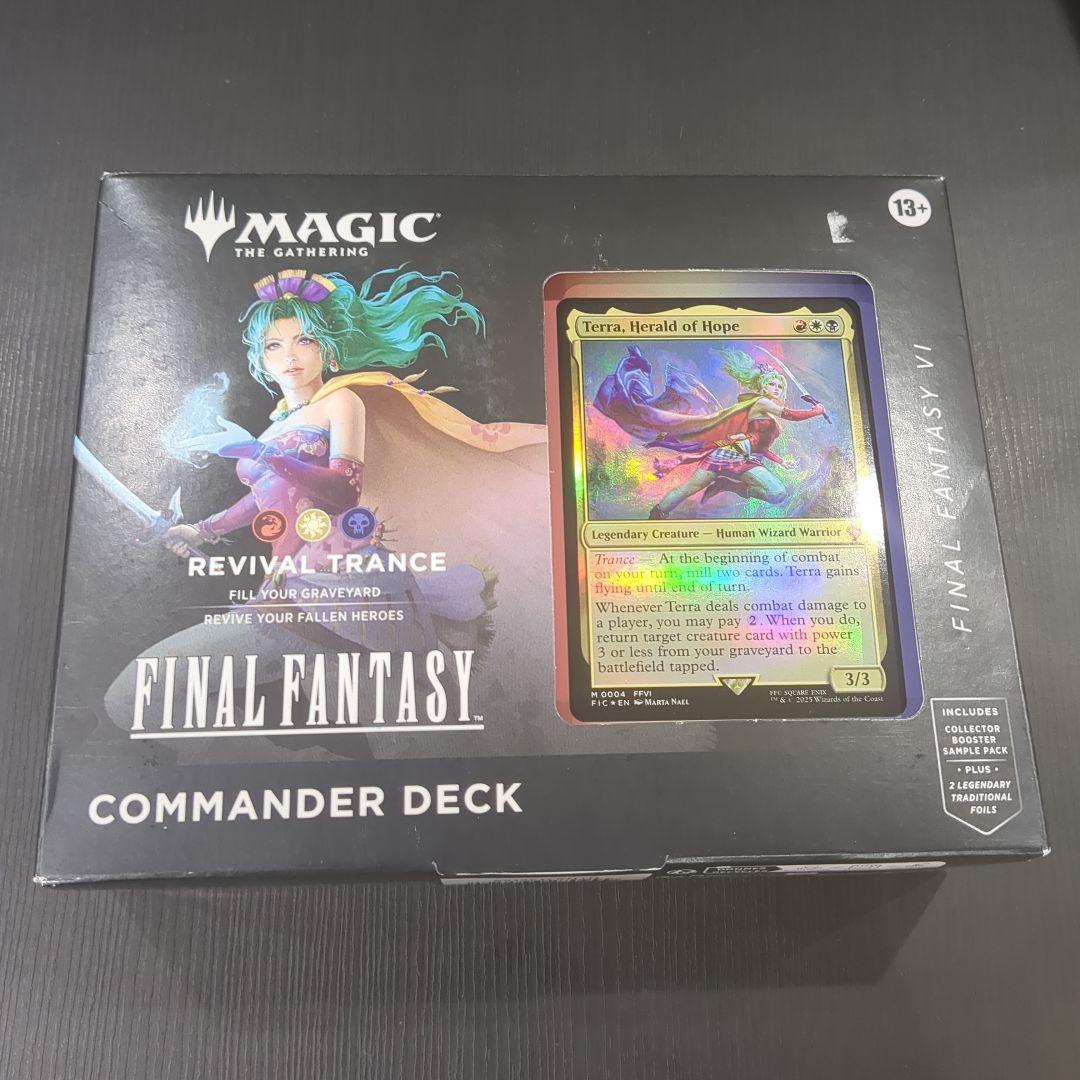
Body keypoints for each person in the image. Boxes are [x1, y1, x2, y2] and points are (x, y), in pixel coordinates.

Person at [593, 345, 827, 519]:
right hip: (726, 454)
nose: (776, 388)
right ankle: (657, 515)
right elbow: (792, 415)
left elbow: (760, 447)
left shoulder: (771, 419)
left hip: (745, 459)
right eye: (772, 384)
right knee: (688, 489)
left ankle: (727, 485)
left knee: (777, 494)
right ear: (763, 386)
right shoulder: (761, 403)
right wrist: (816, 411)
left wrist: (780, 461)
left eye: (780, 385)